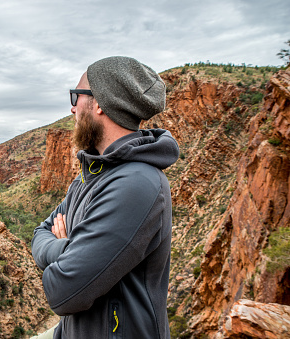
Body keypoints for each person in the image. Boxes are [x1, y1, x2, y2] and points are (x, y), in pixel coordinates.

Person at [31, 56, 179, 339]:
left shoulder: (135, 184)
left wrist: (64, 248)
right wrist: (68, 250)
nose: (72, 107)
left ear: (99, 103)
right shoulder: (92, 172)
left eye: (77, 96)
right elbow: (40, 232)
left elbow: (62, 291)